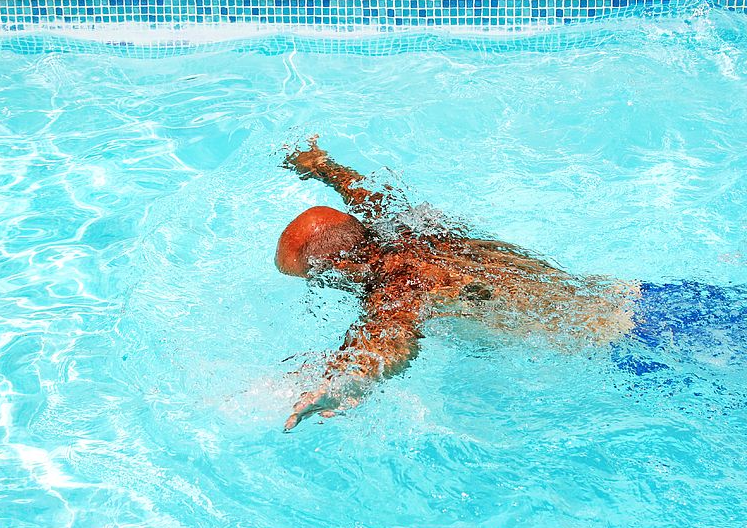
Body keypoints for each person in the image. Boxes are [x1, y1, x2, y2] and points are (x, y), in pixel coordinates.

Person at [275, 137, 641, 431]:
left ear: (338, 268)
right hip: (627, 293)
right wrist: (322, 166)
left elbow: (388, 343)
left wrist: (347, 385)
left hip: (623, 343)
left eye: (313, 279)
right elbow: (366, 193)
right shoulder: (405, 226)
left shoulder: (398, 286)